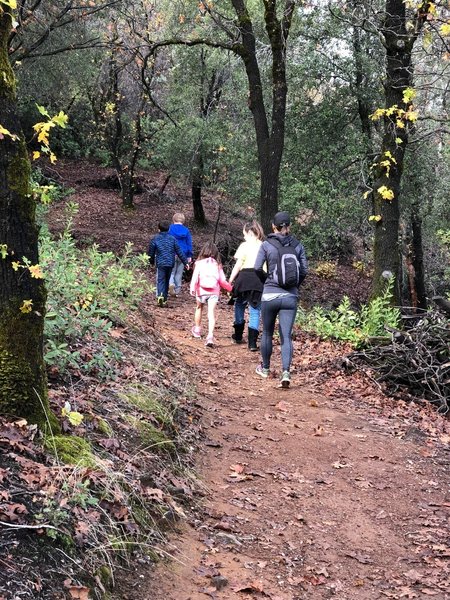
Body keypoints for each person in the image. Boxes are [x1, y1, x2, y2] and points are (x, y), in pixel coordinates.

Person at [253, 211, 308, 388]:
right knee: (286, 336)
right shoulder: (298, 245)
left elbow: (256, 268)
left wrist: (267, 282)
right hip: (290, 297)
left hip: (269, 294)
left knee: (268, 333)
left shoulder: (266, 245)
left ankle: (266, 369)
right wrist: (295, 286)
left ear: (273, 227)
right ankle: (286, 373)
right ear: (289, 226)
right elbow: (304, 270)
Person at [228, 220, 265, 351]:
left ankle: (238, 336)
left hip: (243, 279)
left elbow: (238, 265)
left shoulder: (244, 246)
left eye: (244, 234)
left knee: (239, 305)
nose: (243, 237)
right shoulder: (264, 245)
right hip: (259, 280)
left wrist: (230, 280)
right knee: (255, 310)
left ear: (250, 233)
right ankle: (252, 343)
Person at [190, 241, 232, 348]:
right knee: (211, 313)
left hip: (201, 290)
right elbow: (222, 280)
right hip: (213, 291)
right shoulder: (217, 265)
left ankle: (197, 330)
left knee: (199, 308)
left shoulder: (199, 263)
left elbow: (195, 277)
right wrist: (230, 288)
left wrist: (192, 288)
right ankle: (210, 335)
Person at [148, 221, 188, 307]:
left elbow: (151, 252)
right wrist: (185, 262)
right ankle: (164, 299)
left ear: (158, 229)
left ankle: (160, 296)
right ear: (169, 229)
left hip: (161, 263)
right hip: (170, 263)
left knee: (161, 280)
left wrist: (150, 261)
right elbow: (179, 251)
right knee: (166, 280)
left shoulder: (155, 238)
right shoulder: (172, 239)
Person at [168, 213, 193, 297]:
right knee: (179, 273)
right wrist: (189, 256)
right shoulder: (186, 230)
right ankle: (177, 291)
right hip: (183, 255)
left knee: (171, 272)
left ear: (173, 219)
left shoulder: (170, 229)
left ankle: (171, 284)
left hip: (172, 253)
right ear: (183, 220)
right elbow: (189, 243)